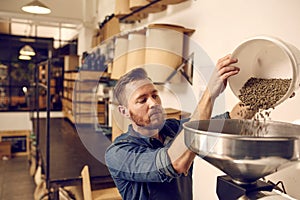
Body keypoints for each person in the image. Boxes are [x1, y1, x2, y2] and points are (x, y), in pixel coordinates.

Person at [105, 54, 255, 200]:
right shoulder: (118, 153)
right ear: (124, 111)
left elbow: (228, 123)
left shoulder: (173, 128)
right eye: (142, 100)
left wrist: (258, 96)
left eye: (155, 95)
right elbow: (175, 163)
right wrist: (209, 93)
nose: (153, 103)